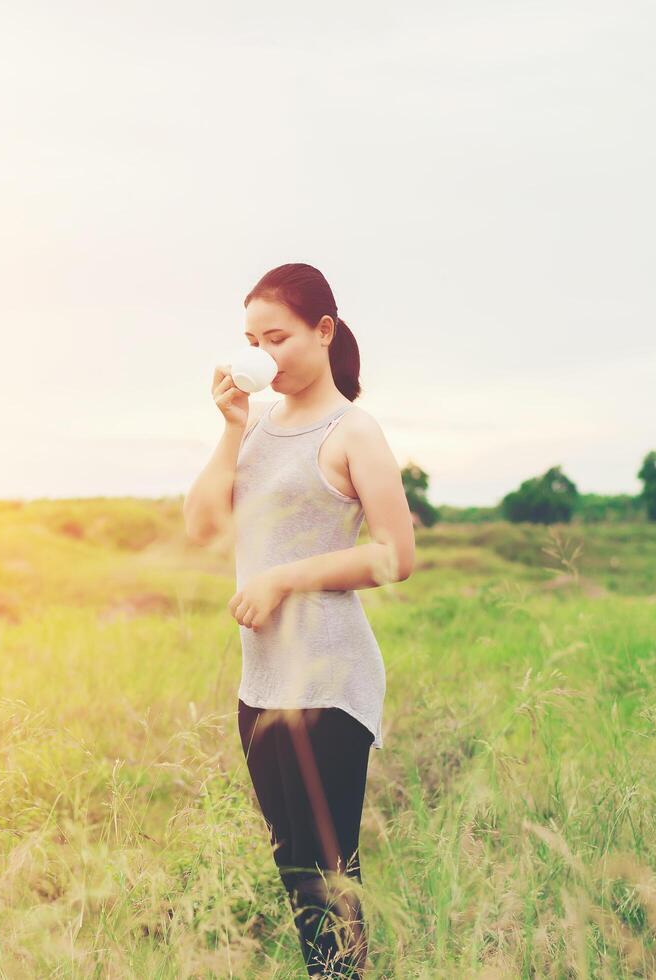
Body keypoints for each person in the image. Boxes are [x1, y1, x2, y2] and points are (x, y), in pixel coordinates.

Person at [183, 263, 416, 976]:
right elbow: (201, 527)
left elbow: (395, 556)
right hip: (262, 685)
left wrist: (285, 577)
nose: (262, 354)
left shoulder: (354, 431)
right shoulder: (253, 428)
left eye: (276, 336)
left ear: (323, 332)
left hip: (328, 679)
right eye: (250, 339)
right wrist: (229, 430)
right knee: (295, 876)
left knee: (328, 878)